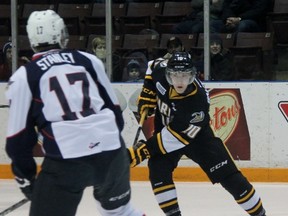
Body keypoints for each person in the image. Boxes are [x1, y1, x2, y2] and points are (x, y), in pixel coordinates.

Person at [5, 10, 144, 216]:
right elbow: (115, 114)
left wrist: (27, 179)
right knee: (120, 211)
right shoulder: (88, 60)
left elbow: (18, 141)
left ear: (32, 40)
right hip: (112, 152)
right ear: (62, 34)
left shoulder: (24, 76)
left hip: (66, 161)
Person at [127, 51, 267, 216]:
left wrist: (142, 151)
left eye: (184, 76)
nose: (180, 81)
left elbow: (176, 137)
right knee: (158, 171)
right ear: (168, 74)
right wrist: (147, 92)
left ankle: (260, 214)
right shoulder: (161, 72)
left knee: (230, 178)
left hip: (198, 139)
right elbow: (152, 65)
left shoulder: (197, 102)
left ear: (192, 75)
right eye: (175, 75)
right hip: (166, 131)